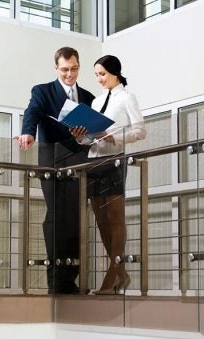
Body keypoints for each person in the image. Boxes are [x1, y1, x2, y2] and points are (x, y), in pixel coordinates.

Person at [17, 47, 95, 294]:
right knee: (56, 215)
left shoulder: (87, 96)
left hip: (79, 159)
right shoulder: (42, 91)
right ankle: (56, 281)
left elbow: (92, 133)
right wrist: (28, 131)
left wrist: (86, 136)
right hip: (52, 159)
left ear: (79, 66)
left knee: (75, 218)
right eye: (64, 70)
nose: (69, 74)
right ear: (56, 68)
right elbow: (33, 112)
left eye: (73, 69)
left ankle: (69, 280)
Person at [71, 55, 146, 295]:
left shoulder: (127, 98)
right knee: (100, 219)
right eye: (96, 75)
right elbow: (90, 138)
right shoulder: (96, 102)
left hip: (114, 159)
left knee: (115, 217)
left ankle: (113, 275)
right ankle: (121, 273)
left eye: (102, 74)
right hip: (94, 160)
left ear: (115, 72)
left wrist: (114, 136)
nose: (99, 79)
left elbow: (140, 131)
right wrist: (80, 136)